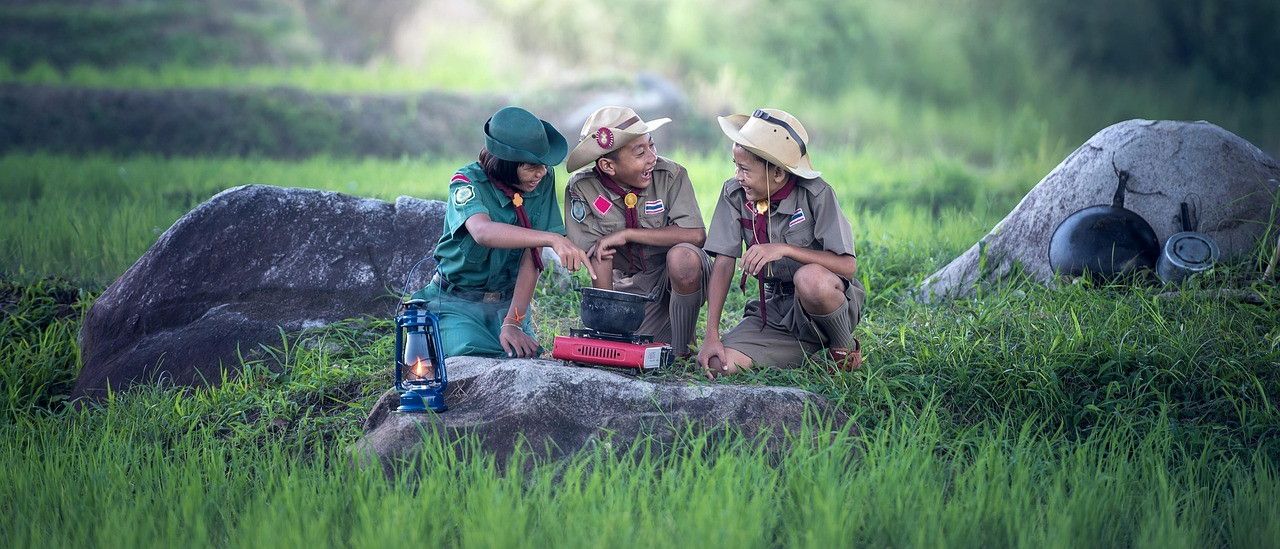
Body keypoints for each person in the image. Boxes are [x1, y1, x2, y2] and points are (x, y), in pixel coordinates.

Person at [412, 106, 595, 358]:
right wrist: (552, 238)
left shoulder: (541, 179)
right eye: (532, 166)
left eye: (543, 165)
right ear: (506, 164)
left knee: (522, 360)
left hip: (507, 306)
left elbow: (531, 259)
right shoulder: (467, 182)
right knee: (472, 357)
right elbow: (483, 232)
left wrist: (513, 323)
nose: (541, 172)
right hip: (457, 304)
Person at [698, 108, 865, 377]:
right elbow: (724, 261)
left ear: (777, 173)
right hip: (777, 311)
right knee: (719, 365)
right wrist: (711, 335)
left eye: (745, 169)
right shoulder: (734, 194)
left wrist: (785, 249)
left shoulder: (816, 195)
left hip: (826, 302)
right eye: (736, 166)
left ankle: (842, 349)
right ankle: (805, 353)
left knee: (810, 279)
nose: (738, 176)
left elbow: (847, 267)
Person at [563, 106, 709, 356]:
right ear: (608, 166)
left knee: (683, 259)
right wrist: (605, 327)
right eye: (640, 152)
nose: (652, 157)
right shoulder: (583, 189)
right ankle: (643, 332)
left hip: (670, 277)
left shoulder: (670, 175)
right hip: (630, 288)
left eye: (652, 146)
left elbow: (695, 234)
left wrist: (629, 234)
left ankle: (684, 346)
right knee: (625, 344)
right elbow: (596, 255)